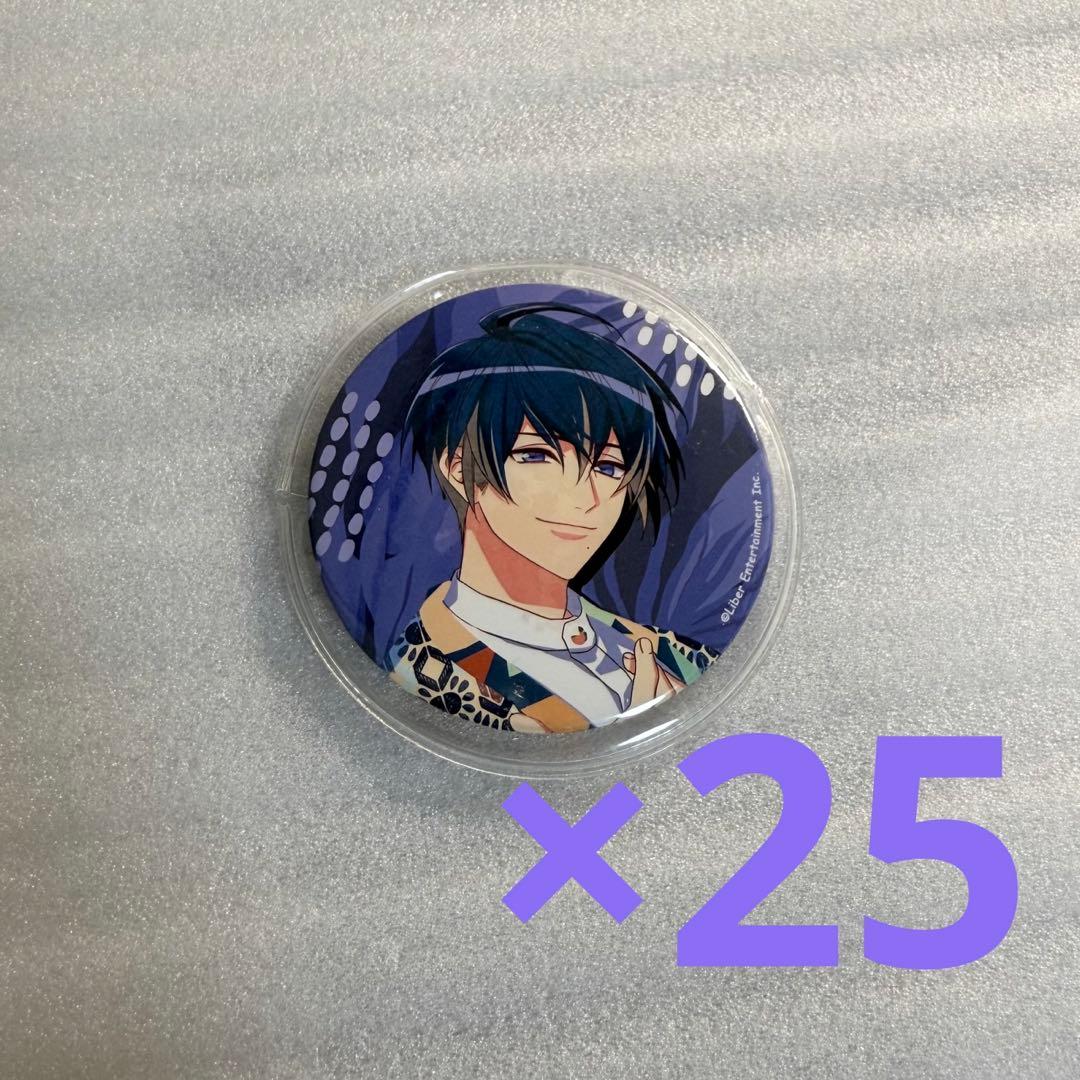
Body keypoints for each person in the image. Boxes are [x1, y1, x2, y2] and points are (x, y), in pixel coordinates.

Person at [389, 304, 716, 733]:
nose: (585, 497)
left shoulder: (674, 655)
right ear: (457, 468)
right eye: (536, 455)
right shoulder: (424, 675)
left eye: (609, 466)